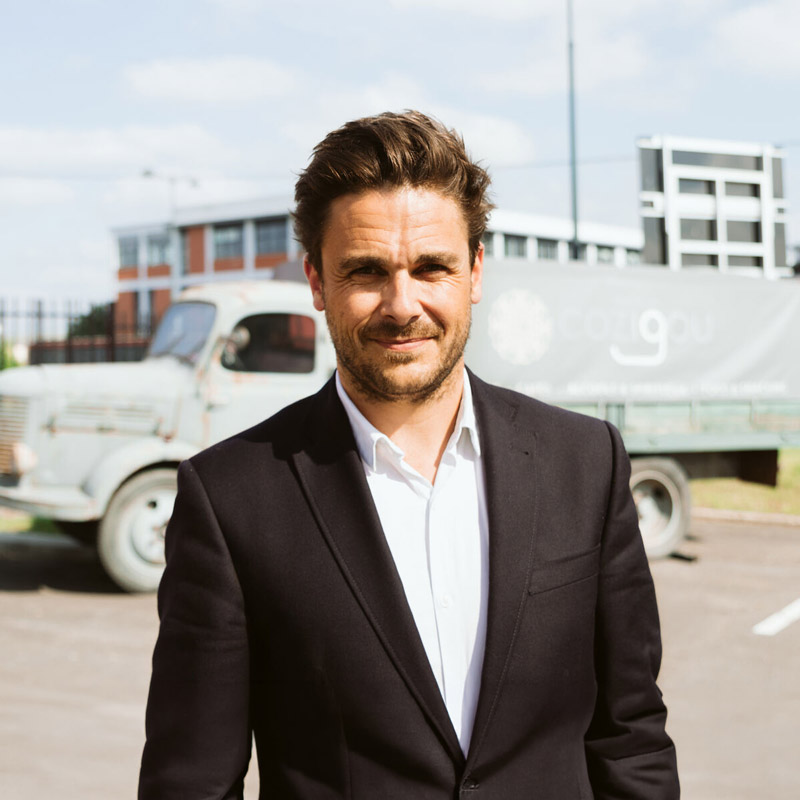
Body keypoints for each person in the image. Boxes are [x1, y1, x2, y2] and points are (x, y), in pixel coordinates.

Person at [139, 110, 679, 799]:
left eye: (432, 268)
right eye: (367, 271)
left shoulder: (585, 463)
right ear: (316, 282)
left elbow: (631, 739)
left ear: (474, 270)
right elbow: (191, 783)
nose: (402, 305)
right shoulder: (230, 500)